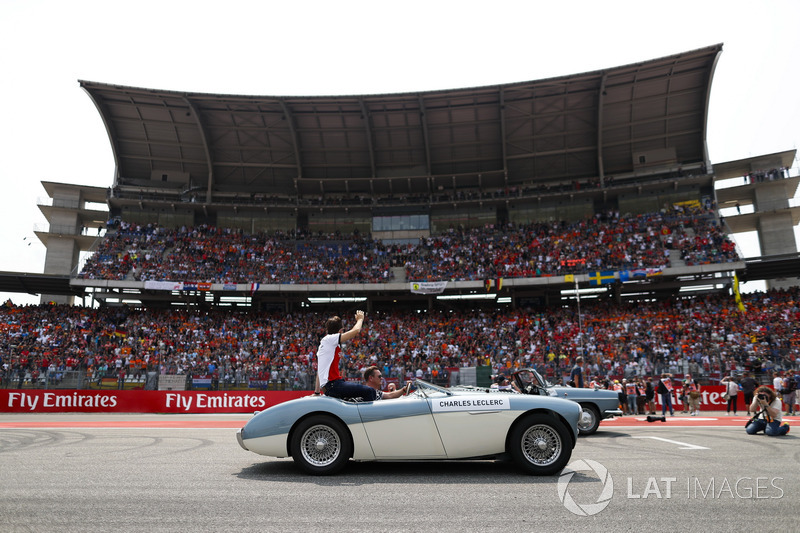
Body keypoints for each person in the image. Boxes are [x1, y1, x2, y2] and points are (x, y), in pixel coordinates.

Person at [314, 310, 378, 401]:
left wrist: (317, 392)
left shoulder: (326, 344)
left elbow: (320, 369)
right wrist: (360, 319)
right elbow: (356, 331)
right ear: (340, 331)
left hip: (333, 385)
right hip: (333, 385)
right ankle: (368, 415)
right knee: (370, 391)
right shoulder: (330, 339)